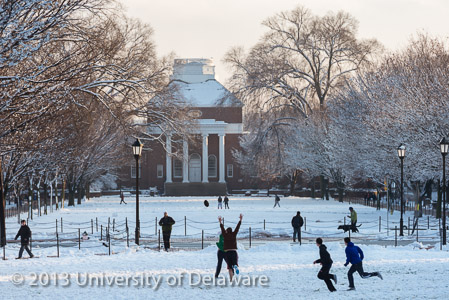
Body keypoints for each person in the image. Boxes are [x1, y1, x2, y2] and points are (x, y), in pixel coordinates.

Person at [218, 213, 243, 281]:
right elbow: (237, 228)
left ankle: (231, 279)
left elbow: (222, 229)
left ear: (227, 231)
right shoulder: (234, 234)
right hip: (234, 251)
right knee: (234, 263)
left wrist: (220, 222)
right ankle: (235, 265)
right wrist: (240, 220)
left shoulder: (225, 235)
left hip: (228, 252)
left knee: (229, 267)